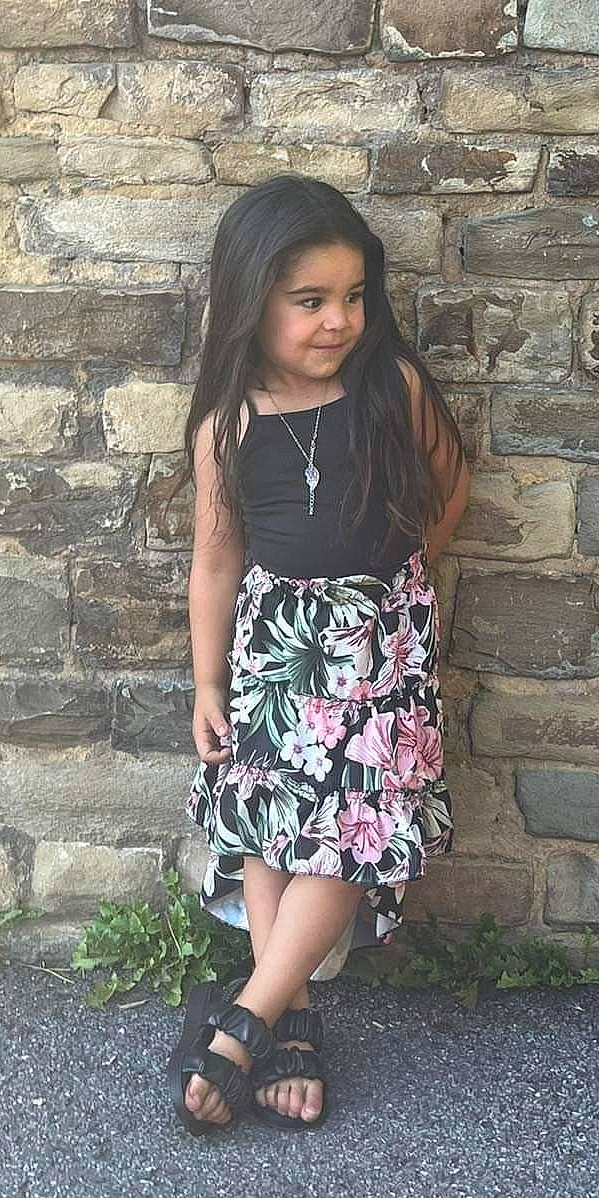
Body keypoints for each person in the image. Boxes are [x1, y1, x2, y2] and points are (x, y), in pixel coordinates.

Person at [169, 176, 470, 1136]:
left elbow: (449, 488)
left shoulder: (391, 388)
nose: (339, 321)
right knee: (269, 814)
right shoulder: (229, 426)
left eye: (353, 297)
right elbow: (215, 559)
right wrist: (209, 680)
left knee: (356, 823)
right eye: (311, 302)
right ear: (252, 299)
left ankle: (243, 1022)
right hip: (275, 647)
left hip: (378, 649)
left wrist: (400, 583)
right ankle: (292, 1018)